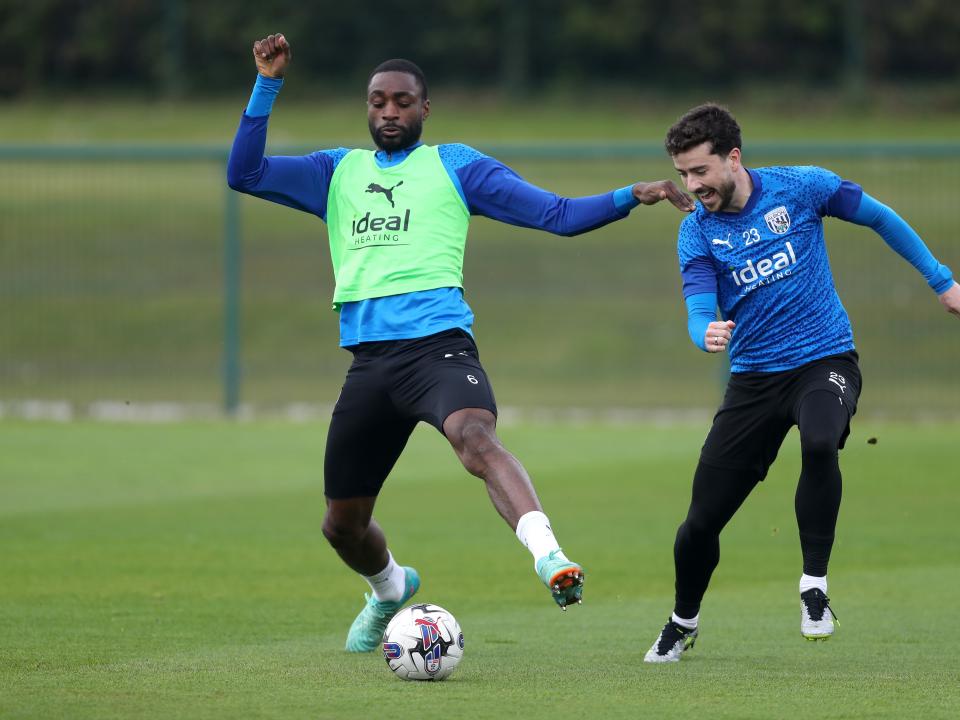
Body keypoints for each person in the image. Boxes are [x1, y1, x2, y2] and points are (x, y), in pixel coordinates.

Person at [227, 33, 695, 653]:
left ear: (425, 109)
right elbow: (245, 173)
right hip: (370, 365)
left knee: (476, 439)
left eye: (402, 102)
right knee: (342, 525)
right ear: (367, 109)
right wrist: (268, 82)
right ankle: (391, 588)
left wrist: (629, 196)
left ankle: (548, 555)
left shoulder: (457, 167)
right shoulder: (335, 172)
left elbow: (556, 214)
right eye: (377, 102)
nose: (389, 112)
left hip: (438, 351)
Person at [643, 103, 960, 663]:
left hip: (825, 359)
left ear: (732, 158)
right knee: (700, 523)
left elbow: (881, 218)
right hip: (754, 381)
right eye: (684, 173)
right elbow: (697, 305)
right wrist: (704, 332)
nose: (691, 185)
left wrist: (941, 280)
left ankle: (814, 588)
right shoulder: (696, 232)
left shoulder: (803, 187)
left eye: (700, 172)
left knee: (818, 441)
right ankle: (682, 620)